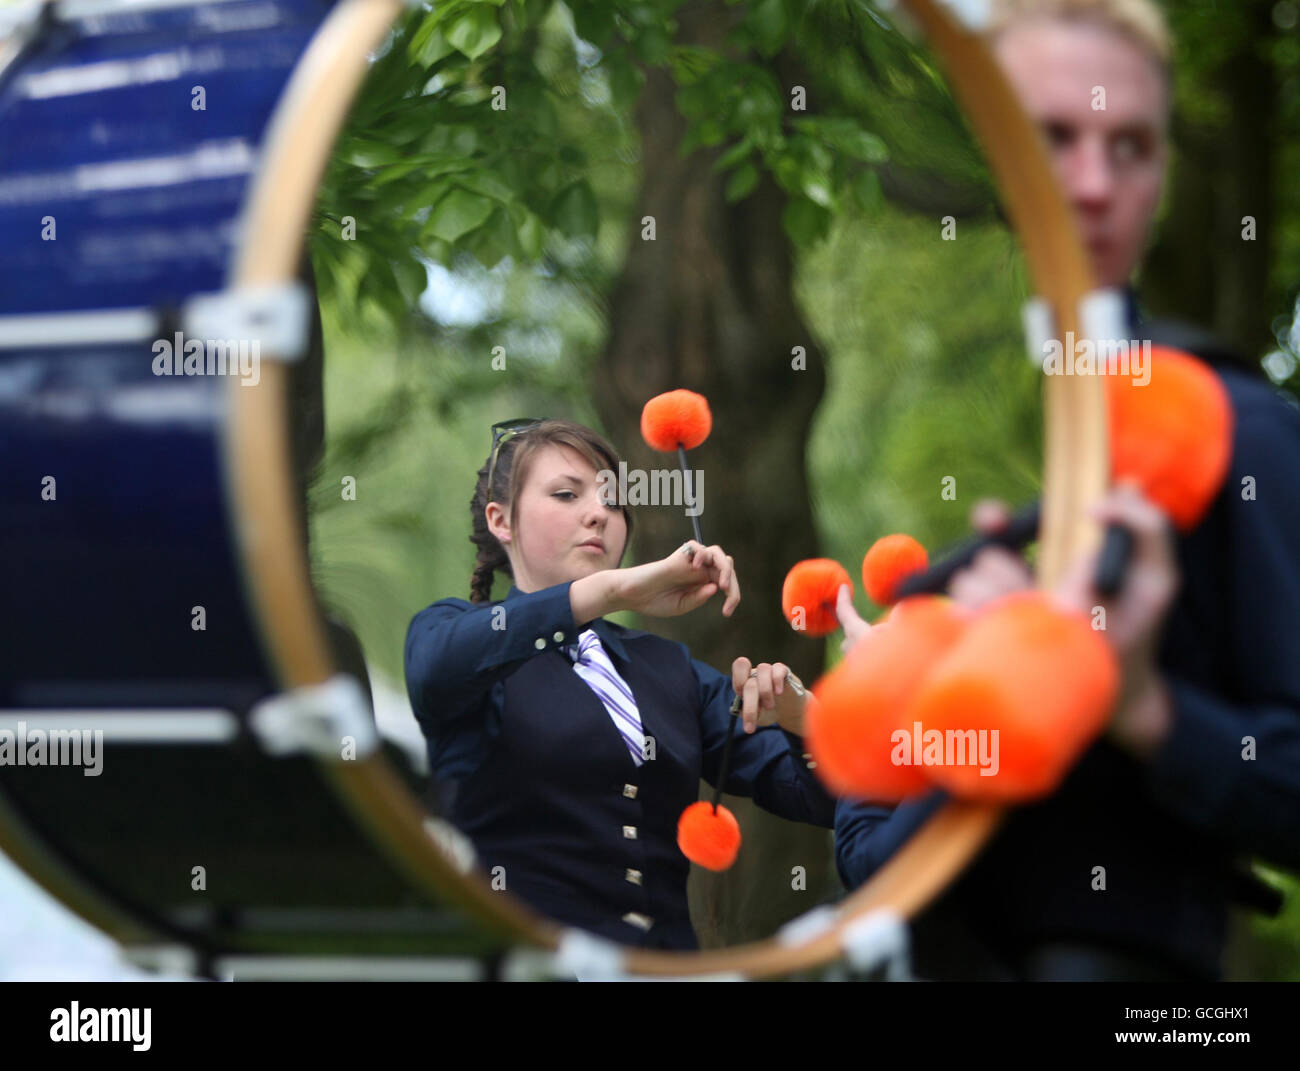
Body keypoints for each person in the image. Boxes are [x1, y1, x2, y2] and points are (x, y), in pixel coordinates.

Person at [833, 0, 1300, 980]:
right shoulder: (919, 406)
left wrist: (1140, 706)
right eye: (1052, 137)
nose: (1090, 184)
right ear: (983, 153)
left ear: (1163, 174)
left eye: (1128, 146)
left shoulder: (1237, 427)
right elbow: (877, 859)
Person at [404, 418, 836, 949]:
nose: (598, 514)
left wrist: (802, 717)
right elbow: (436, 668)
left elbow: (822, 801)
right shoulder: (454, 635)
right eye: (566, 494)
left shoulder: (667, 666)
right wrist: (614, 591)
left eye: (614, 502)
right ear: (502, 521)